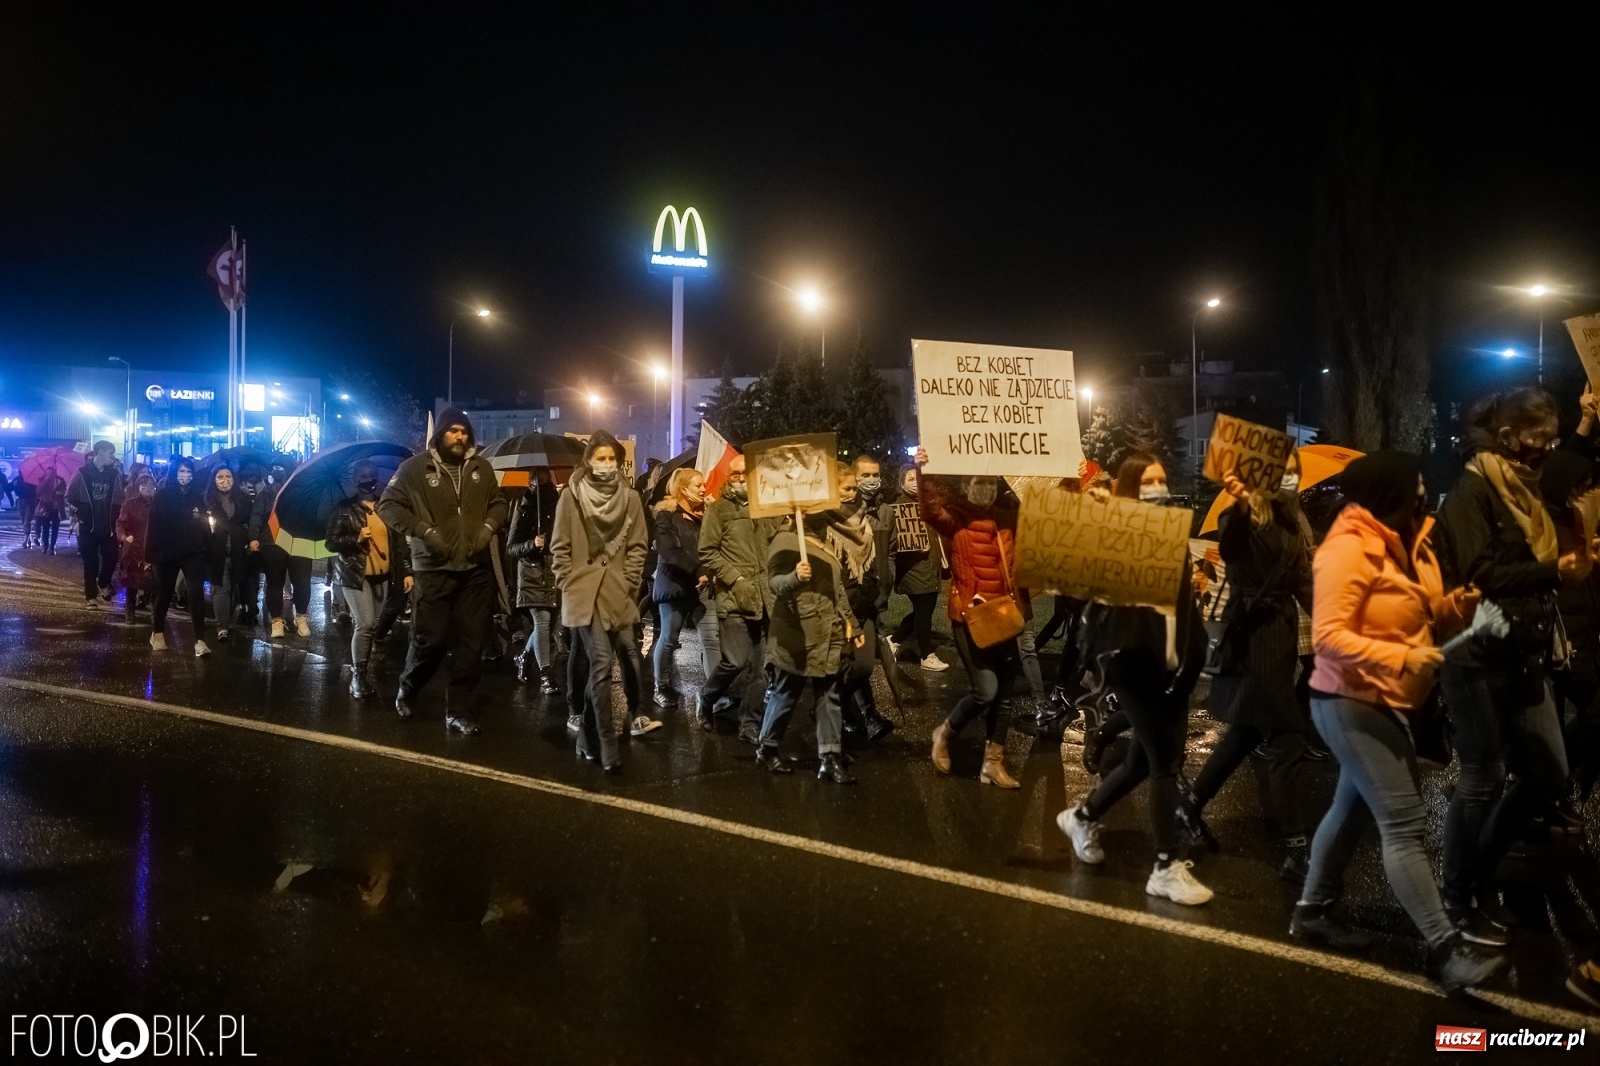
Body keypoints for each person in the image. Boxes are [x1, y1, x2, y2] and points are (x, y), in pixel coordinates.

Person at [1295, 450, 1507, 992]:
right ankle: (1445, 950)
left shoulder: (1410, 541)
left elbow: (1418, 609)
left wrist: (1456, 607)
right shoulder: (1345, 551)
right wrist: (1401, 657)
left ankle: (1312, 912)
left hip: (1391, 700)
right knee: (1405, 823)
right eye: (1414, 483)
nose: (1423, 490)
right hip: (1349, 700)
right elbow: (1329, 637)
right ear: (1388, 492)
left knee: (1350, 809)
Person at [1434, 388, 1579, 946]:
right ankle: (1456, 895)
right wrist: (1552, 572)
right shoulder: (1471, 491)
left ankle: (1481, 870)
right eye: (1538, 439)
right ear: (1508, 436)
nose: (1545, 450)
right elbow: (1480, 574)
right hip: (1476, 654)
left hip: (1524, 652)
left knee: (1548, 772)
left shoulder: (1527, 489)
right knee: (1482, 778)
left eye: (1553, 439)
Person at [1056, 454, 1212, 903]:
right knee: (1165, 762)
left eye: (1163, 479)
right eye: (1148, 481)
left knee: (1141, 762)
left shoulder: (1171, 532)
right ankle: (1164, 866)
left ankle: (1084, 816)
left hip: (1170, 666)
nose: (1158, 487)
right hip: (1131, 665)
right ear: (1129, 487)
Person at [1182, 450, 1316, 882]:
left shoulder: (1290, 520)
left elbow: (1301, 582)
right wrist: (1238, 504)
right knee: (1286, 737)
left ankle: (1189, 807)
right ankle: (1296, 847)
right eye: (1285, 473)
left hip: (1278, 635)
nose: (1292, 479)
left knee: (1244, 731)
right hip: (1253, 637)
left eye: (1296, 473)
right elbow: (1232, 545)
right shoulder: (1240, 518)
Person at [379, 408, 509, 734]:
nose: (459, 436)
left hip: (475, 569)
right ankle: (409, 686)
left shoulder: (481, 467)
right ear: (440, 435)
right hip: (433, 569)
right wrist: (425, 531)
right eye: (452, 430)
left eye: (463, 430)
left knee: (471, 643)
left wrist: (488, 528)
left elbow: (499, 503)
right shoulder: (414, 469)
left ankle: (458, 709)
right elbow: (387, 505)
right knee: (431, 641)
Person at [912, 448, 1026, 788]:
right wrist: (925, 471)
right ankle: (945, 733)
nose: (985, 488)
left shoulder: (1007, 518)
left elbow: (1048, 514)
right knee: (985, 691)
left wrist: (1070, 480)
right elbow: (930, 507)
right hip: (969, 617)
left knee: (1005, 692)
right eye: (979, 482)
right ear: (966, 485)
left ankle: (993, 763)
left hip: (1004, 616)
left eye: (990, 482)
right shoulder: (955, 519)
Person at [550, 432, 649, 770]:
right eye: (600, 458)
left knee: (605, 664)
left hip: (616, 593)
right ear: (588, 460)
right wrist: (569, 583)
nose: (607, 465)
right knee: (603, 665)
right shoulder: (571, 497)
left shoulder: (631, 498)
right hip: (583, 595)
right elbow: (559, 547)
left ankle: (586, 738)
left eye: (612, 459)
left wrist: (630, 582)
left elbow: (637, 546)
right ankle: (608, 746)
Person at [757, 508, 862, 784]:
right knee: (786, 692)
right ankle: (767, 748)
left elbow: (835, 589)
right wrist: (795, 577)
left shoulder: (824, 542)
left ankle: (829, 756)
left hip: (828, 632)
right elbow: (774, 583)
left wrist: (853, 623)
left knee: (829, 694)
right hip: (797, 632)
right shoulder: (784, 540)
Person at [697, 453, 780, 739]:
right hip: (735, 599)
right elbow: (707, 550)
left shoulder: (768, 509)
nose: (742, 479)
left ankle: (749, 722)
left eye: (747, 474)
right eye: (736, 474)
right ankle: (707, 698)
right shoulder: (718, 510)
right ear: (728, 477)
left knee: (762, 668)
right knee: (735, 661)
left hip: (767, 599)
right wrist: (737, 579)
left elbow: (781, 539)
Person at [327, 461, 411, 700]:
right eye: (363, 476)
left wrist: (406, 572)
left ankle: (360, 671)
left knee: (372, 626)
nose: (368, 480)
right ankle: (357, 677)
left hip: (382, 577)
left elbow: (398, 545)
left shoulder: (385, 507)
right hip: (355, 577)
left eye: (372, 475)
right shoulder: (344, 509)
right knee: (364, 625)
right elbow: (331, 542)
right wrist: (356, 537)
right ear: (355, 480)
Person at [829, 462, 895, 742]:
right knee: (849, 665)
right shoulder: (822, 521)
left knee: (863, 665)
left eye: (854, 488)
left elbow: (876, 559)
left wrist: (879, 590)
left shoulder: (863, 517)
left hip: (864, 605)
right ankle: (853, 714)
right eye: (847, 488)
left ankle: (842, 707)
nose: (853, 493)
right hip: (838, 607)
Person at [651, 468, 714, 711]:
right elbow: (670, 551)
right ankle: (661, 686)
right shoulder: (667, 516)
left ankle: (714, 691)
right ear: (683, 489)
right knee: (669, 638)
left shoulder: (707, 513)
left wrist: (713, 514)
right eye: (697, 485)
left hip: (703, 587)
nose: (703, 489)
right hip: (676, 585)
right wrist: (698, 569)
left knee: (711, 640)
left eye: (703, 484)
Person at [884, 463, 949, 671]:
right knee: (924, 610)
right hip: (913, 568)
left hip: (930, 566)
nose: (915, 483)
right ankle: (926, 654)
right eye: (910, 479)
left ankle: (893, 640)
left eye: (918, 479)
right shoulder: (897, 509)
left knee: (922, 610)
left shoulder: (928, 505)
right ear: (901, 484)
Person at [148, 458, 214, 656]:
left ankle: (199, 640)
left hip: (194, 552)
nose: (185, 476)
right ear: (174, 472)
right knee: (165, 593)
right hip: (167, 553)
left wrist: (209, 548)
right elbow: (153, 526)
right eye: (181, 471)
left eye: (188, 472)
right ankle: (157, 632)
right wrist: (151, 553)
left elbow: (203, 524)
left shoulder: (197, 496)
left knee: (196, 593)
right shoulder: (162, 495)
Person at [506, 468, 562, 694]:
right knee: (542, 622)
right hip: (531, 572)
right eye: (537, 481)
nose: (542, 485)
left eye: (546, 480)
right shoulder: (524, 507)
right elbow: (511, 547)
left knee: (547, 627)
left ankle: (525, 657)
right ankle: (546, 675)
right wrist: (532, 544)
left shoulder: (559, 505)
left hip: (554, 573)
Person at [251, 459, 313, 639]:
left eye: (281, 468)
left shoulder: (303, 493)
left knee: (302, 583)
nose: (277, 471)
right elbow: (256, 516)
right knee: (275, 583)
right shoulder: (266, 494)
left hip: (300, 542)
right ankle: (276, 621)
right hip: (272, 543)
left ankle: (301, 617)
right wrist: (254, 537)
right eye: (274, 468)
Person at [66, 440, 124, 609]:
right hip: (87, 526)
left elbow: (121, 497)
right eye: (110, 453)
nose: (112, 458)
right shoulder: (82, 473)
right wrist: (80, 511)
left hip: (108, 526)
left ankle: (103, 582)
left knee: (112, 557)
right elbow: (69, 497)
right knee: (90, 563)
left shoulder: (114, 474)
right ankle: (90, 596)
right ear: (100, 452)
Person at [203, 466, 251, 643]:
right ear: (214, 479)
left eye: (228, 476)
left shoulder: (243, 499)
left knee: (234, 586)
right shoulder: (207, 500)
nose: (225, 480)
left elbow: (249, 521)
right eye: (220, 477)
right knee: (221, 587)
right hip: (216, 551)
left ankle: (229, 618)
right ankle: (222, 626)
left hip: (239, 550)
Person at [113, 473, 156, 621]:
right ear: (139, 488)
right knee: (132, 582)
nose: (149, 489)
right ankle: (129, 612)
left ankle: (155, 616)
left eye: (151, 486)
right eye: (145, 486)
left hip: (152, 547)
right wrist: (124, 537)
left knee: (154, 582)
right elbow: (121, 523)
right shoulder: (130, 504)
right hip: (134, 548)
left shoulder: (158, 504)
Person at [33, 470, 65, 554]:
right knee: (45, 527)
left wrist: (61, 493)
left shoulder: (60, 480)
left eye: (52, 473)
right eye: (48, 473)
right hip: (45, 506)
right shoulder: (42, 480)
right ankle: (45, 545)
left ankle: (52, 546)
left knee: (55, 528)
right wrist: (46, 480)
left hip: (56, 507)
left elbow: (64, 491)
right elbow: (38, 491)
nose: (50, 474)